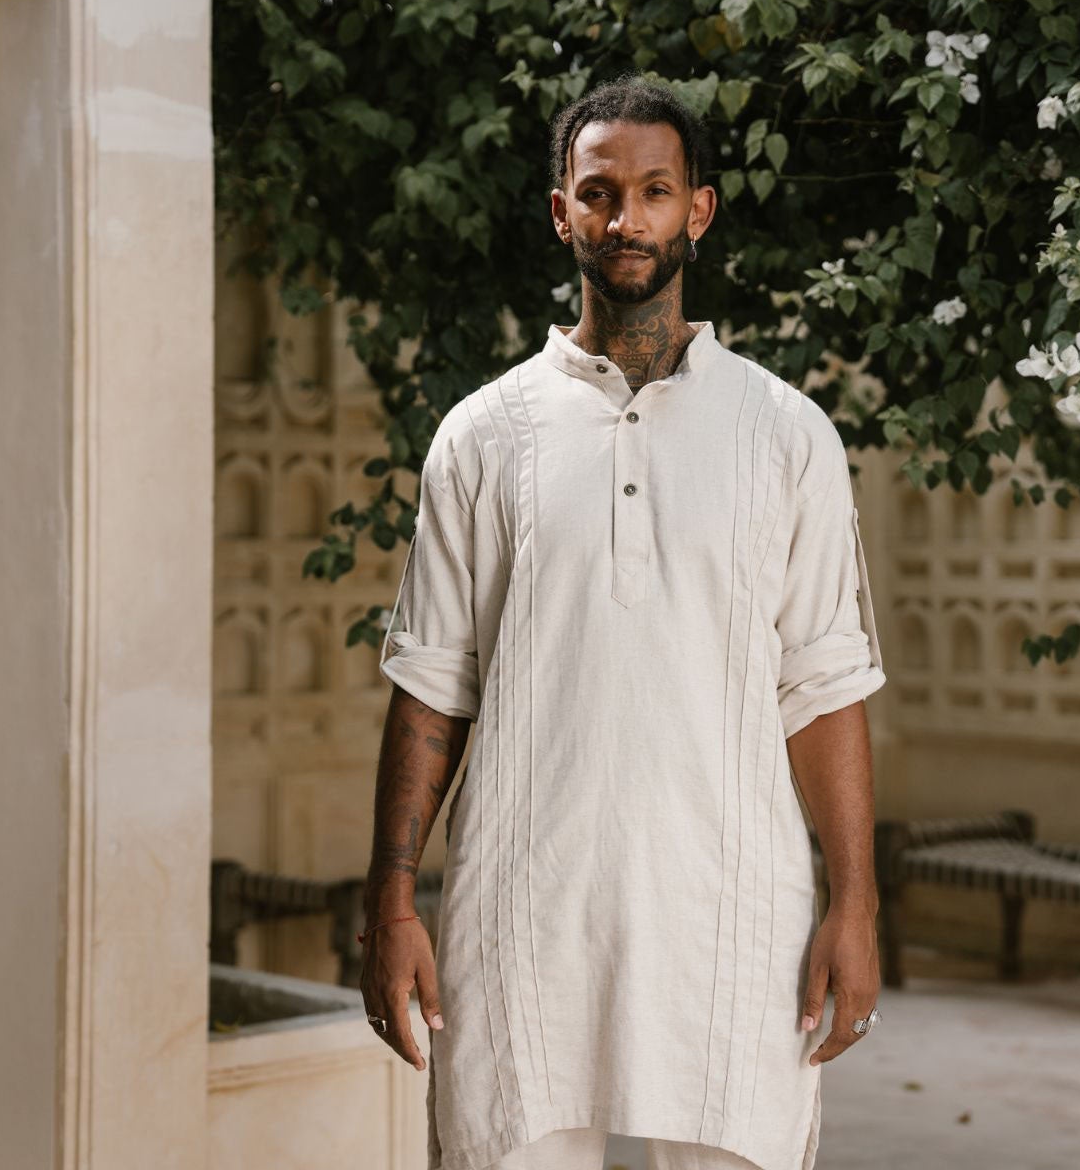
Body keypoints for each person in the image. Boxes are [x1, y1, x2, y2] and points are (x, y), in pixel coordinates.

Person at [356, 73, 891, 1170]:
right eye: (598, 192)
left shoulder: (784, 436)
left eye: (653, 191)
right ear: (562, 214)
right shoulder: (484, 436)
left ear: (696, 210)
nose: (624, 217)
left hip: (734, 920)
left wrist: (856, 905)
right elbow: (431, 687)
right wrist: (392, 902)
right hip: (522, 917)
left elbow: (823, 686)